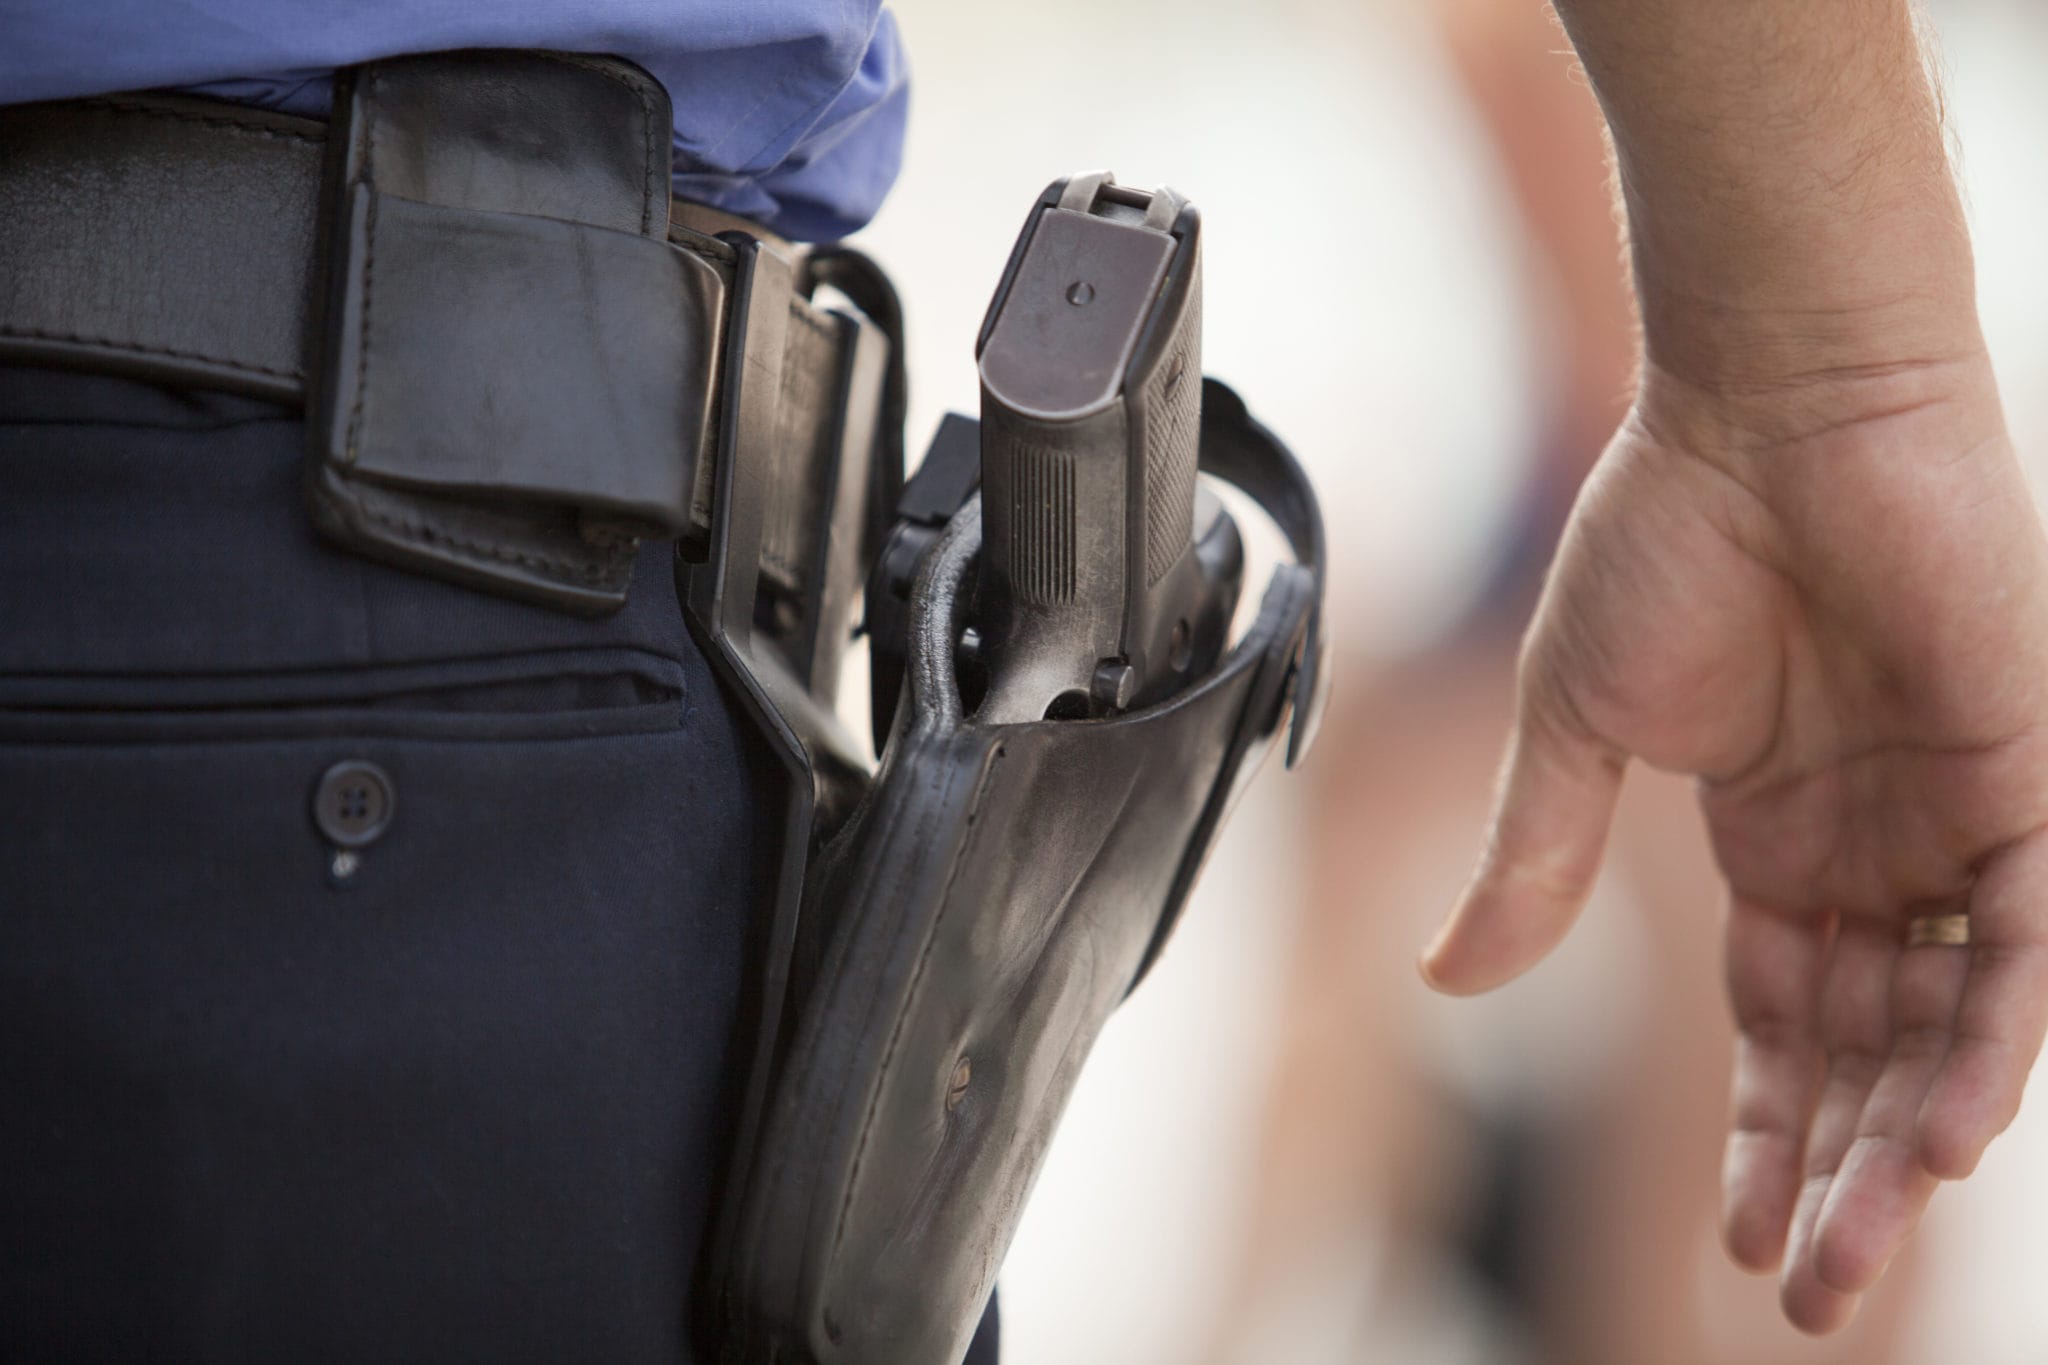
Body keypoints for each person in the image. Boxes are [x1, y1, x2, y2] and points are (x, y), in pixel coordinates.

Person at [1421, 0, 2048, 1339]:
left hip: (1686, 510)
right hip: (1649, 507)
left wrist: (1829, 387)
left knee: (1794, 1082)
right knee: (1806, 1077)